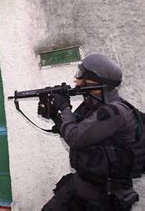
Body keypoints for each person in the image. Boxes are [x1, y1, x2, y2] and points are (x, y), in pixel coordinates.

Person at [43, 54, 139, 210]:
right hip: (86, 183)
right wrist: (55, 115)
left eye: (80, 76)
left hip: (103, 193)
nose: (76, 80)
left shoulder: (113, 112)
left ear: (94, 81)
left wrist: (64, 107)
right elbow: (75, 130)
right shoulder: (92, 106)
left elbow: (75, 138)